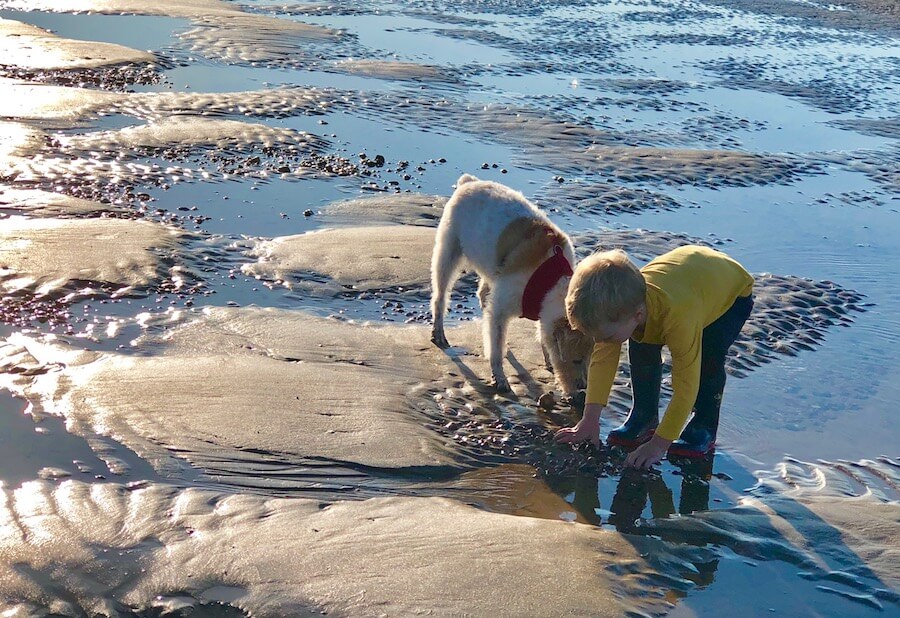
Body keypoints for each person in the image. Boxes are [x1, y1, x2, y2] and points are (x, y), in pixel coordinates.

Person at [554, 245, 754, 469]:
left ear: (637, 314)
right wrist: (589, 421)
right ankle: (644, 416)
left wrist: (659, 444)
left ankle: (703, 426)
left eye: (606, 336)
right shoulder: (620, 310)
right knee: (641, 344)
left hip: (728, 294)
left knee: (708, 360)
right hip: (687, 276)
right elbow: (602, 361)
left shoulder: (677, 317)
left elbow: (685, 385)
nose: (601, 342)